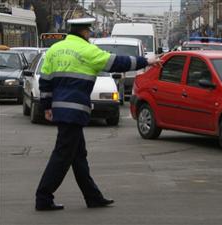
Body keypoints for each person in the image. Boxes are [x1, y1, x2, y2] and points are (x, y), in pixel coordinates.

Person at [35, 18, 161, 211]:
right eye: (90, 32)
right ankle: (43, 197)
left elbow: (45, 81)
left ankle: (93, 197)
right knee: (62, 155)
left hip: (60, 109)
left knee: (78, 156)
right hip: (75, 110)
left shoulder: (55, 50)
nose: (90, 35)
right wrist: (146, 61)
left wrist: (46, 107)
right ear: (85, 33)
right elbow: (117, 62)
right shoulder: (88, 50)